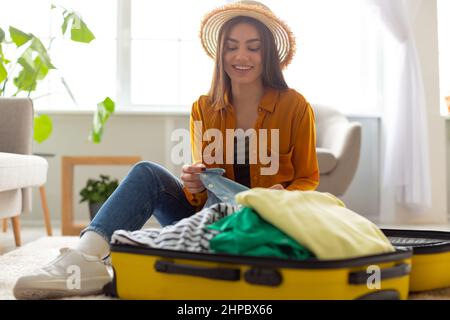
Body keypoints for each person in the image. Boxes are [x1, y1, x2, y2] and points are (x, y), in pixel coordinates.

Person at [13, 0, 319, 299]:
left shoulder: (294, 107)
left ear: (268, 53)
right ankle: (83, 260)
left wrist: (282, 195)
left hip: (260, 220)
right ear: (220, 52)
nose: (241, 56)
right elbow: (198, 195)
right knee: (147, 172)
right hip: (208, 218)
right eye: (231, 46)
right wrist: (193, 183)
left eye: (254, 47)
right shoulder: (203, 107)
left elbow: (308, 178)